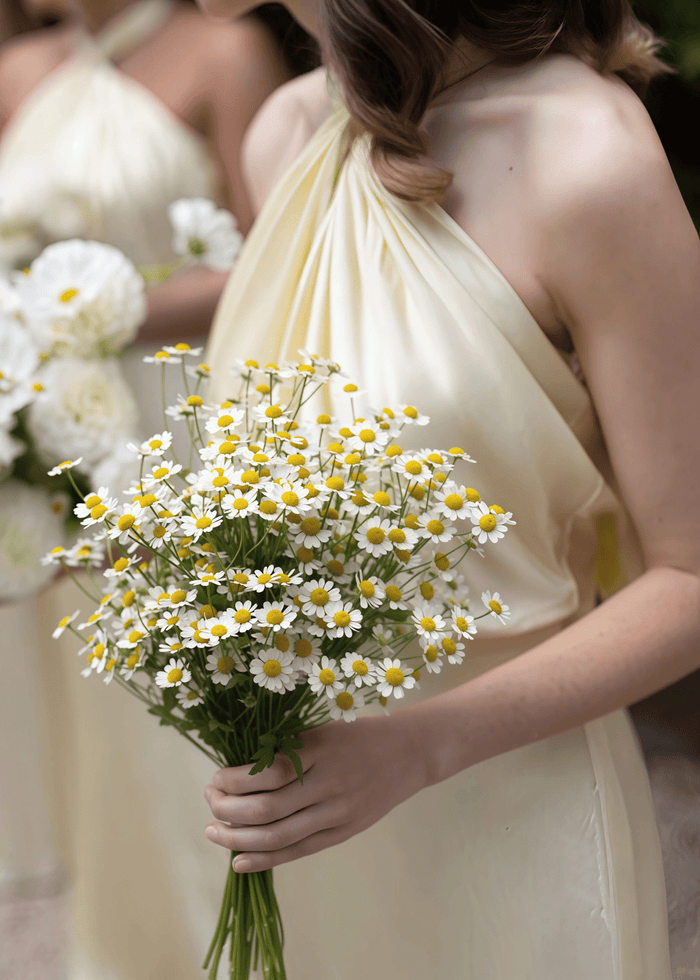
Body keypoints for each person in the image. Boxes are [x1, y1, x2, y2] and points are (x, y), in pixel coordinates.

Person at [200, 0, 700, 977]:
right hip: (293, 819)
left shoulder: (582, 154)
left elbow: (690, 573)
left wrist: (415, 746)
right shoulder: (286, 134)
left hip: (506, 813)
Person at [0, 2, 300, 977]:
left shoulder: (227, 46)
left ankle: (246, 943)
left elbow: (280, 245)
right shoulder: (24, 67)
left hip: (185, 415)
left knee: (199, 696)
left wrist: (106, 310)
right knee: (102, 699)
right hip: (63, 424)